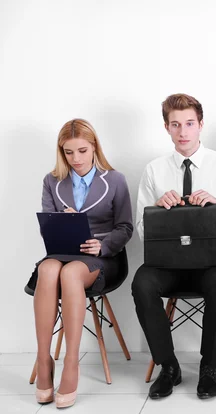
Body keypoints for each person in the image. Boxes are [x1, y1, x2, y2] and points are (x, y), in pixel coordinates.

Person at [132, 93, 216, 400]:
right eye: (175, 124)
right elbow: (143, 231)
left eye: (189, 124)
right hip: (168, 264)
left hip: (212, 263)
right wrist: (156, 210)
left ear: (201, 125)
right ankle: (168, 367)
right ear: (166, 127)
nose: (183, 131)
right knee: (142, 283)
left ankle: (209, 367)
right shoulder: (154, 170)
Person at [28, 119, 133, 408]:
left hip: (101, 258)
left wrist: (102, 243)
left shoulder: (114, 179)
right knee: (47, 269)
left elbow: (126, 227)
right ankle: (43, 358)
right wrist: (66, 222)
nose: (76, 159)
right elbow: (46, 225)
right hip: (61, 253)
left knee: (72, 273)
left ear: (94, 147)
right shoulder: (52, 181)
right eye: (69, 152)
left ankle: (71, 364)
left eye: (82, 151)